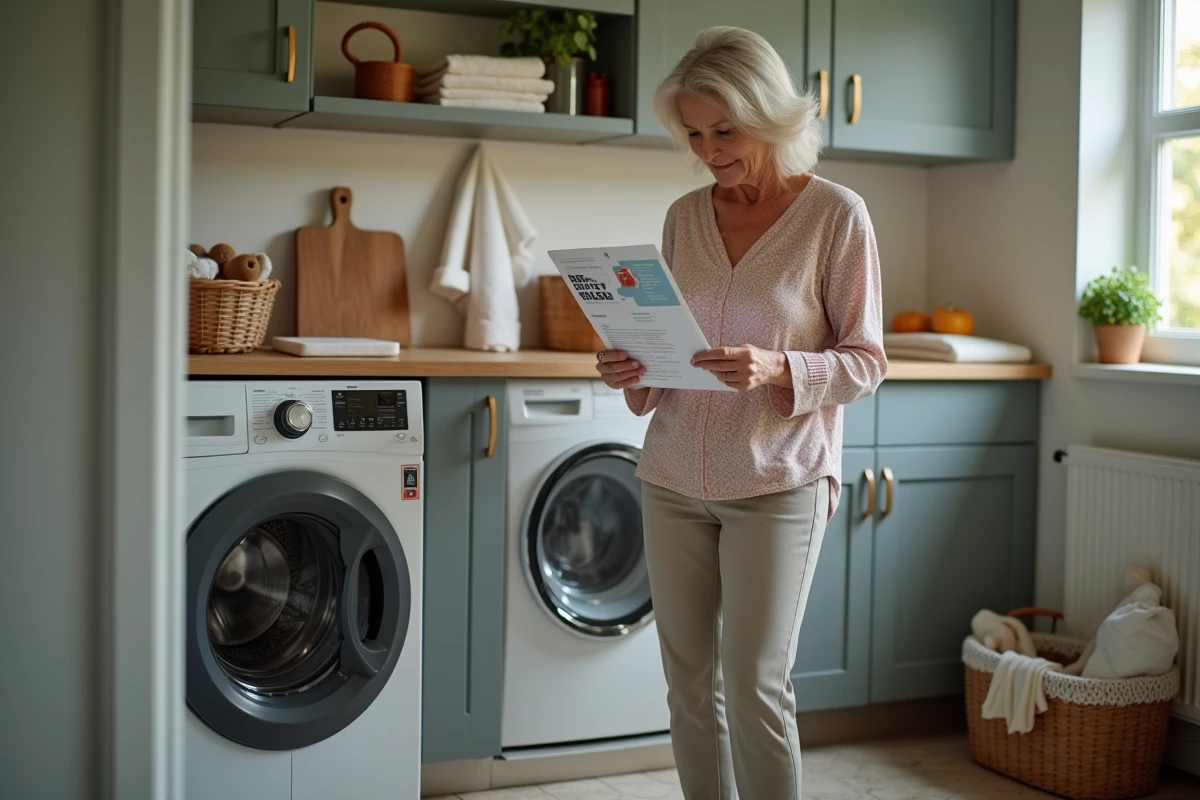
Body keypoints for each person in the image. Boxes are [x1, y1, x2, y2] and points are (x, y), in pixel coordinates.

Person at [594, 26, 887, 800]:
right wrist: (631, 368)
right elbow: (659, 371)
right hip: (670, 476)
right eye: (694, 133)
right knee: (689, 689)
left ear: (771, 114)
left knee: (757, 684)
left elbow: (868, 360)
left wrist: (779, 366)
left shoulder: (835, 215)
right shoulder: (683, 218)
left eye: (725, 129)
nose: (709, 150)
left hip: (775, 481)